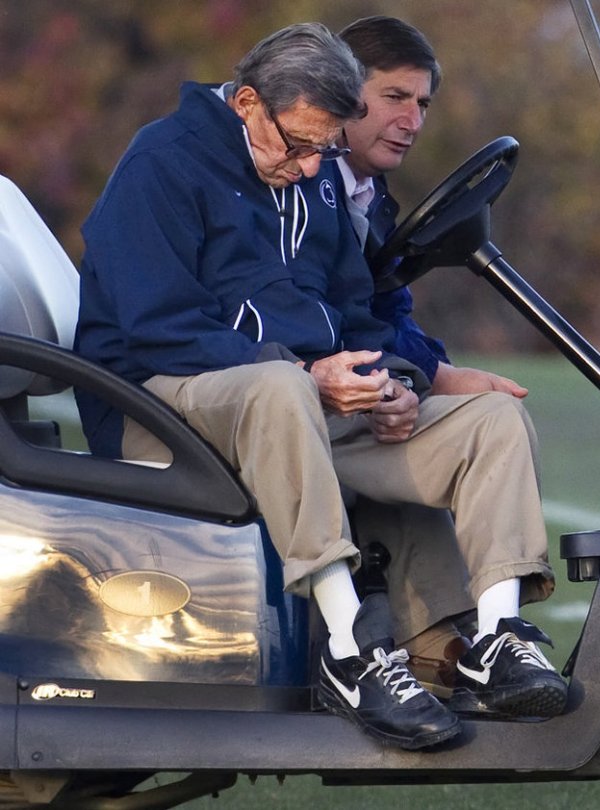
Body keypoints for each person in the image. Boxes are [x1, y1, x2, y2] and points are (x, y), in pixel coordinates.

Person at [74, 19, 566, 741]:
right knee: (281, 389)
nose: (310, 167)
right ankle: (351, 647)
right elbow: (161, 325)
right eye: (299, 145)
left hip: (297, 404)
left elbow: (352, 311)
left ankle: (495, 642)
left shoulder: (312, 180)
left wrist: (391, 381)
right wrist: (306, 373)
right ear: (246, 104)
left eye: (325, 150)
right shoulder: (162, 163)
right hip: (164, 402)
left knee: (488, 421)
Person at [336, 16, 560, 714]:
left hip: (355, 397)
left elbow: (388, 315)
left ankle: (481, 640)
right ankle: (478, 643)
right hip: (301, 403)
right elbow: (325, 321)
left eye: (423, 104)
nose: (411, 120)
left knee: (490, 412)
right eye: (395, 97)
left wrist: (434, 372)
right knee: (489, 422)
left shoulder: (369, 201)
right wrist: (428, 377)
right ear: (343, 91)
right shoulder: (304, 192)